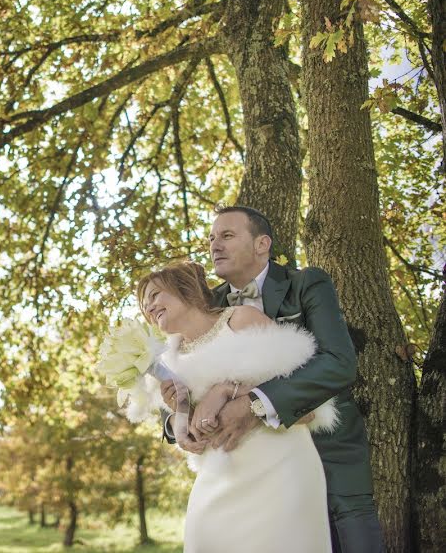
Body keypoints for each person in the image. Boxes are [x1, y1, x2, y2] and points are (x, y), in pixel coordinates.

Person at [161, 206, 384, 553]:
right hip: (243, 466)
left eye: (227, 236)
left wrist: (253, 404)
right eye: (211, 238)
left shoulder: (306, 283)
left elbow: (338, 362)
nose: (214, 245)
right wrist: (176, 419)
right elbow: (185, 373)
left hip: (328, 448)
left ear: (262, 243)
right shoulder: (207, 305)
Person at [140, 261, 333, 552]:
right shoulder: (169, 362)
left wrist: (227, 389)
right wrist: (183, 417)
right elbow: (191, 433)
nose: (149, 306)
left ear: (184, 288)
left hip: (281, 472)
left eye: (155, 294)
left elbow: (310, 403)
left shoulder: (241, 321)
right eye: (144, 304)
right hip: (218, 478)